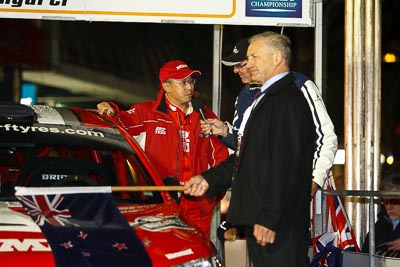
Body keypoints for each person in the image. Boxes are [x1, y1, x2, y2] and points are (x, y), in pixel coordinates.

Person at [184, 31, 316, 267]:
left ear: (277, 58)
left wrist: (270, 219)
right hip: (264, 223)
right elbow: (248, 157)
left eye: (254, 57)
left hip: (277, 227)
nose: (249, 63)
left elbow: (286, 167)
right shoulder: (265, 98)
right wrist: (209, 179)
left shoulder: (286, 100)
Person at [97, 60, 229, 238]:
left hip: (197, 205)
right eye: (183, 82)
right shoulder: (146, 113)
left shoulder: (205, 115)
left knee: (196, 258)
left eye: (191, 81)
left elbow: (220, 158)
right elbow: (121, 121)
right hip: (159, 204)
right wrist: (111, 109)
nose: (189, 87)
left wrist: (211, 195)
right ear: (166, 86)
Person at [201, 36, 337, 197]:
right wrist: (225, 131)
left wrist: (315, 178)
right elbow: (247, 146)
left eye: (241, 64)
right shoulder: (245, 94)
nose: (236, 70)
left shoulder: (299, 85)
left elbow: (326, 136)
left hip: (296, 186)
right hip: (259, 191)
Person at [362, 174, 400, 257]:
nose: (389, 207)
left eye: (394, 201)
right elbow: (364, 257)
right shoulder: (379, 226)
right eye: (385, 202)